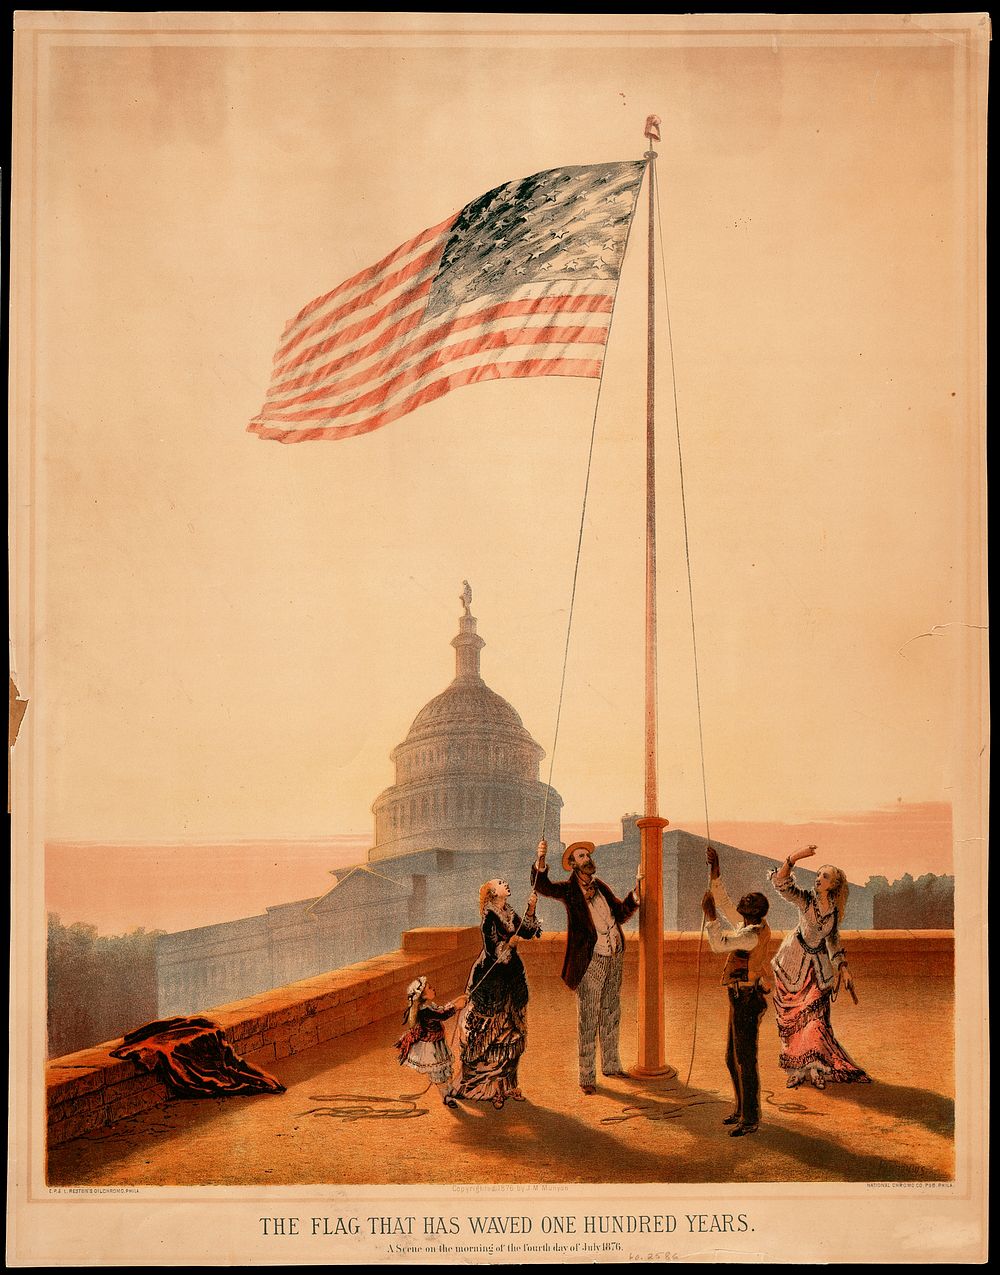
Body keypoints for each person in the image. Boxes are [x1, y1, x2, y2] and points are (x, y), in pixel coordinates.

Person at [531, 839, 640, 1095]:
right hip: (591, 961)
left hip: (615, 955)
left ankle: (611, 1065)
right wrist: (541, 859)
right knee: (588, 1019)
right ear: (572, 865)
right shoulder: (569, 891)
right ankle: (587, 1076)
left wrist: (635, 895)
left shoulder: (600, 886)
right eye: (581, 856)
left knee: (612, 1012)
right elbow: (542, 886)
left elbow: (621, 914)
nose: (587, 858)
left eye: (587, 855)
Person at [768, 845, 872, 1089]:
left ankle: (815, 1068)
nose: (818, 879)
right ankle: (797, 1069)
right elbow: (782, 884)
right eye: (817, 875)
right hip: (793, 963)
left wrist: (843, 969)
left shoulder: (833, 913)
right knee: (793, 1021)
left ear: (833, 885)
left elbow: (833, 941)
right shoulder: (805, 900)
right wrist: (794, 857)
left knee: (815, 1021)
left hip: (818, 969)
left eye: (824, 876)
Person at [701, 846, 772, 1138]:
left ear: (755, 912)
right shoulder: (750, 924)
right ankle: (741, 1110)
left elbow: (719, 944)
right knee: (734, 1059)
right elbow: (727, 902)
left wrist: (710, 917)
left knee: (744, 1060)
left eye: (750, 900)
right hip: (738, 997)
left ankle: (750, 1118)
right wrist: (715, 870)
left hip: (747, 1000)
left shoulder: (751, 935)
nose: (745, 900)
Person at [454, 878, 541, 1110]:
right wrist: (508, 945)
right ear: (493, 894)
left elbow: (529, 931)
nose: (507, 884)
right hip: (492, 983)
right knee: (490, 1036)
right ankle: (487, 1089)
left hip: (512, 980)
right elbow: (494, 953)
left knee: (511, 1035)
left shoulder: (509, 912)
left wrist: (531, 909)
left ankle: (507, 1086)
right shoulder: (489, 919)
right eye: (501, 883)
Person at [394, 975, 468, 1108]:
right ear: (423, 995)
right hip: (431, 1048)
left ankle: (450, 1090)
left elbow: (441, 1009)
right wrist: (456, 1006)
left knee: (445, 1067)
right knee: (438, 1070)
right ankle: (446, 1095)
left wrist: (457, 1001)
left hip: (438, 1043)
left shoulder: (427, 1008)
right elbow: (443, 1014)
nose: (433, 989)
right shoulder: (425, 1012)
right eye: (429, 988)